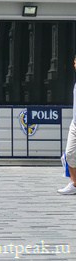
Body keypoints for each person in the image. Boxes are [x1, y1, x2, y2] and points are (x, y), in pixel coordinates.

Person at [58, 54, 76, 195]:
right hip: (75, 123)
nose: (75, 64)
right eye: (75, 62)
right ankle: (74, 184)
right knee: (69, 154)